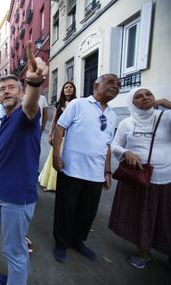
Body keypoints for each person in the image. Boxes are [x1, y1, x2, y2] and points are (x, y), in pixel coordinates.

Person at [0, 41, 48, 285]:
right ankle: (15, 278)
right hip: (4, 196)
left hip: (16, 199)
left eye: (11, 87)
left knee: (14, 252)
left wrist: (34, 81)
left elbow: (32, 105)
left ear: (21, 92)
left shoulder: (25, 116)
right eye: (2, 88)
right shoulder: (6, 119)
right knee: (15, 246)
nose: (5, 91)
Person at [52, 74, 121, 263]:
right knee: (65, 209)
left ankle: (77, 241)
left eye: (118, 84)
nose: (116, 86)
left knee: (87, 212)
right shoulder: (78, 104)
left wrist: (107, 171)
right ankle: (61, 243)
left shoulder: (113, 115)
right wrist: (56, 155)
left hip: (96, 174)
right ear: (96, 85)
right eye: (111, 82)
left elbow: (107, 145)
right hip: (71, 170)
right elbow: (59, 128)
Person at [109, 88, 171, 269]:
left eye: (148, 94)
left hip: (165, 180)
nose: (145, 98)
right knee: (140, 218)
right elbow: (114, 145)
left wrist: (167, 104)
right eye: (138, 96)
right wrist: (125, 152)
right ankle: (144, 253)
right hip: (137, 179)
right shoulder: (126, 123)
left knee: (166, 219)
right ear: (131, 102)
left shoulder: (165, 118)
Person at [39, 82, 77, 191]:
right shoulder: (59, 104)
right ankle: (52, 184)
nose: (68, 89)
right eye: (66, 87)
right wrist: (50, 134)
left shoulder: (77, 103)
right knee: (55, 158)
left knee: (68, 160)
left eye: (70, 87)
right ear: (63, 90)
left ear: (73, 90)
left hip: (72, 137)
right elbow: (55, 120)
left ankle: (66, 184)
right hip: (59, 136)